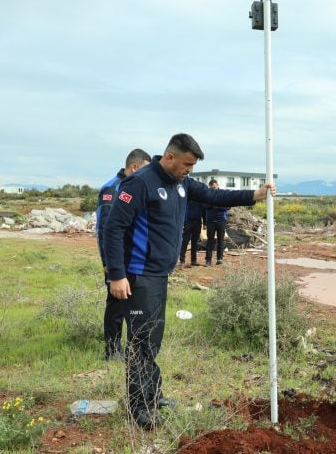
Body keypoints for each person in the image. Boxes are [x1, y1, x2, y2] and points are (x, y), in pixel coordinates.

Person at [104, 133, 275, 430]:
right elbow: (113, 228)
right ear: (169, 158)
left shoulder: (180, 183)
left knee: (152, 339)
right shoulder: (140, 183)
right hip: (138, 275)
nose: (190, 170)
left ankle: (153, 395)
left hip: (159, 275)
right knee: (141, 342)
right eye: (187, 164)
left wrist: (252, 196)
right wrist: (116, 275)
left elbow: (213, 197)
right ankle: (139, 408)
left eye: (192, 166)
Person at [96, 148, 151, 360]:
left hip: (134, 258)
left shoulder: (135, 187)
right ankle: (112, 351)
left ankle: (133, 349)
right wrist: (109, 265)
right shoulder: (113, 188)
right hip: (116, 260)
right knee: (116, 306)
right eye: (144, 170)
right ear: (134, 167)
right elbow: (105, 230)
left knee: (134, 306)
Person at [204, 179, 230, 266]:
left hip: (221, 220)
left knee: (220, 240)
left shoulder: (223, 194)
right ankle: (208, 260)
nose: (213, 189)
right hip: (210, 221)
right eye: (212, 188)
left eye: (214, 187)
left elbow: (228, 206)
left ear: (217, 185)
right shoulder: (207, 195)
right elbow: (204, 207)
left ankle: (219, 259)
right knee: (210, 241)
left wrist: (216, 206)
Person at [179, 199, 205, 267]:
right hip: (188, 221)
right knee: (185, 240)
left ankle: (194, 261)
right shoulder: (188, 197)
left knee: (195, 242)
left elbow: (204, 211)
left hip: (198, 222)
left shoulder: (201, 199)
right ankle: (182, 260)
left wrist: (205, 223)